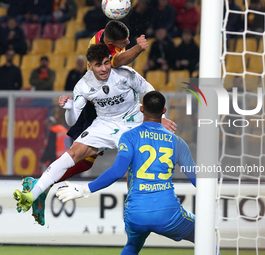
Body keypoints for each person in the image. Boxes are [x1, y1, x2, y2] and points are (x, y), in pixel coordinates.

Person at [13, 43, 176, 226]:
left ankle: (135, 211)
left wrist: (159, 117)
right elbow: (72, 121)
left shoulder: (124, 74)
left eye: (107, 62)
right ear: (90, 66)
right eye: (99, 65)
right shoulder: (83, 85)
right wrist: (69, 108)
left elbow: (149, 90)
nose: (105, 68)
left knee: (136, 164)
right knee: (74, 153)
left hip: (133, 120)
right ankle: (32, 194)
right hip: (104, 123)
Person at [54, 91, 197, 255]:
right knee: (205, 236)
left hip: (135, 213)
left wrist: (84, 189)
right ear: (164, 111)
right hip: (167, 213)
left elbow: (117, 171)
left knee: (132, 247)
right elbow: (196, 180)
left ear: (141, 109)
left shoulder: (129, 137)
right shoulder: (177, 142)